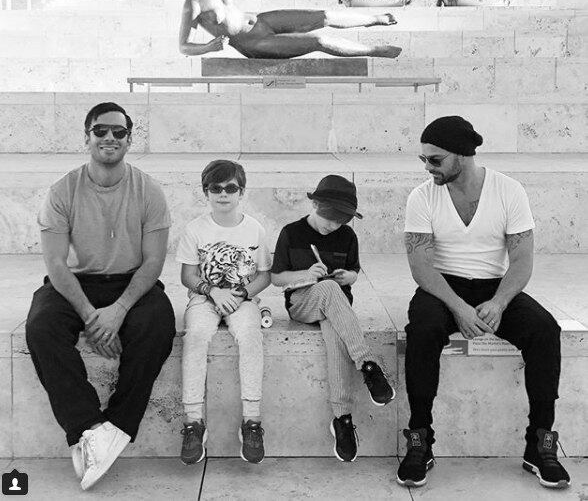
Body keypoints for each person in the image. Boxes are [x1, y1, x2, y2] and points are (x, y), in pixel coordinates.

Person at [398, 116, 570, 489]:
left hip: (495, 286)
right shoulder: (422, 196)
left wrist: (500, 302)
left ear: (462, 154)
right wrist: (458, 307)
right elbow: (421, 267)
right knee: (423, 329)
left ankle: (540, 444)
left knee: (545, 330)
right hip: (442, 287)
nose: (428, 167)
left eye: (435, 159)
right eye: (423, 159)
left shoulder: (509, 191)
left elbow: (522, 260)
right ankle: (419, 439)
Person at [25, 102, 176, 491]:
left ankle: (117, 427)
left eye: (119, 132)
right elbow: (56, 263)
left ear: (129, 139)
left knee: (158, 324)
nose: (110, 138)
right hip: (75, 284)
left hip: (131, 282)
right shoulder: (62, 191)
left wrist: (119, 310)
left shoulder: (149, 191)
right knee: (41, 327)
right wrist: (94, 317)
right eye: (100, 130)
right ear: (87, 136)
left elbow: (153, 261)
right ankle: (88, 426)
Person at [271, 175, 395, 462]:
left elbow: (354, 271)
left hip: (337, 308)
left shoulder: (348, 237)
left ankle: (342, 419)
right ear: (315, 205)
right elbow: (276, 278)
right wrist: (306, 275)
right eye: (330, 218)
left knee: (336, 337)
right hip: (302, 303)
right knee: (327, 288)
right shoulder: (291, 232)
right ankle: (367, 364)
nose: (333, 226)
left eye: (341, 221)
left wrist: (348, 276)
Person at [176, 160, 271, 465]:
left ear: (241, 191)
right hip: (204, 298)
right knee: (196, 336)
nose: (223, 194)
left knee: (250, 335)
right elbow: (187, 275)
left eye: (231, 188)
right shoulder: (195, 229)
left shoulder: (254, 229)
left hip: (243, 299)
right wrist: (213, 291)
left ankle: (252, 420)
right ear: (206, 192)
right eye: (216, 188)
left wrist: (241, 294)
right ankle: (193, 422)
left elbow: (264, 275)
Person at [179, 0, 403, 59]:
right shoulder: (194, 5)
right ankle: (375, 51)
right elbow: (183, 46)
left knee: (323, 15)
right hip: (253, 42)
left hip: (261, 20)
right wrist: (208, 47)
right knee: (318, 40)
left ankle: (374, 19)